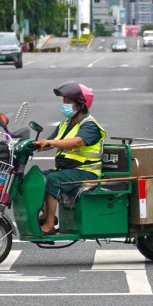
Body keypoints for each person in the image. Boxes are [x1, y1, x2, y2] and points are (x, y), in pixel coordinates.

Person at [35, 81, 106, 235]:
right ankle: (48, 216)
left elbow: (77, 142)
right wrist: (34, 145)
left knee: (53, 180)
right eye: (64, 101)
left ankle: (48, 225)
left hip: (86, 172)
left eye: (68, 101)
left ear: (80, 105)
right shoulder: (65, 124)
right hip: (67, 170)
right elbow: (52, 142)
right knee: (35, 179)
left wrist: (51, 142)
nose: (64, 105)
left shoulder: (89, 125)